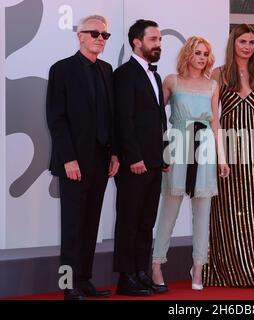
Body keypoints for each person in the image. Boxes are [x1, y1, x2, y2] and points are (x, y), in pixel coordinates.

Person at [46, 15, 119, 300]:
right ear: (80, 36)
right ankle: (68, 287)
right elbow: (57, 118)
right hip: (74, 162)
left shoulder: (107, 70)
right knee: (72, 228)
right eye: (95, 33)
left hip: (101, 161)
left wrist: (114, 153)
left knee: (90, 225)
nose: (100, 38)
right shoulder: (62, 70)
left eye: (105, 35)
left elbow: (111, 118)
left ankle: (85, 281)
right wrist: (68, 159)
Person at [151, 36, 230, 291]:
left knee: (203, 212)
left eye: (206, 54)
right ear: (188, 54)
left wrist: (222, 157)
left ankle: (198, 267)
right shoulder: (171, 81)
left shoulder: (212, 85)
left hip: (205, 145)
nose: (202, 58)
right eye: (198, 53)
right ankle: (156, 263)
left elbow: (215, 123)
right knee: (169, 210)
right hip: (177, 143)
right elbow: (153, 114)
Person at [203, 24, 254, 290]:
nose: (248, 46)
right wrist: (219, 153)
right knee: (227, 210)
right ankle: (225, 271)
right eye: (243, 41)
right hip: (230, 148)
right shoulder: (220, 74)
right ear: (233, 43)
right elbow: (214, 117)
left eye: (252, 42)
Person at [113, 19, 168, 296]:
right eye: (153, 39)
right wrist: (133, 157)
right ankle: (126, 277)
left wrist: (165, 154)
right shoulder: (124, 74)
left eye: (159, 40)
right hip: (134, 163)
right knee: (129, 220)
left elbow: (159, 120)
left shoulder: (155, 75)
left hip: (155, 162)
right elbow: (124, 120)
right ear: (137, 41)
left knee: (147, 221)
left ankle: (141, 272)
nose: (158, 44)